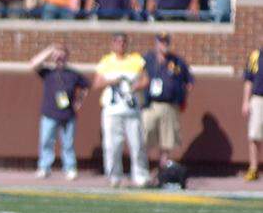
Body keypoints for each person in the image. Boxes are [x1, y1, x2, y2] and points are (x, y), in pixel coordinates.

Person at [93, 33, 150, 188]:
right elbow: (96, 83)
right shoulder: (106, 61)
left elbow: (145, 79)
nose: (121, 45)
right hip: (112, 110)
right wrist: (112, 81)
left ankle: (140, 175)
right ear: (112, 43)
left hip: (131, 109)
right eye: (118, 42)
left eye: (124, 42)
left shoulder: (135, 60)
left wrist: (136, 86)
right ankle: (114, 176)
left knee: (137, 144)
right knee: (112, 146)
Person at [29, 44, 88, 180]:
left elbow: (85, 86)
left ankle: (70, 168)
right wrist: (50, 50)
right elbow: (33, 64)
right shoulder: (47, 72)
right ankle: (44, 168)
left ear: (67, 56)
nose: (59, 57)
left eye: (62, 54)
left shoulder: (73, 74)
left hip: (68, 115)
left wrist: (79, 101)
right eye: (57, 55)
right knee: (46, 141)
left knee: (68, 143)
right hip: (49, 113)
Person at [141, 33, 193, 177]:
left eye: (166, 42)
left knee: (167, 140)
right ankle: (143, 169)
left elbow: (189, 81)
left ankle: (163, 171)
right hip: (151, 104)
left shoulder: (176, 61)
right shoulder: (147, 59)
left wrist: (182, 95)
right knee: (145, 135)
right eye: (161, 42)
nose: (164, 45)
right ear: (156, 43)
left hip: (170, 105)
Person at [241, 41, 263, 181]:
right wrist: (245, 101)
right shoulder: (256, 56)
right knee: (254, 135)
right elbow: (248, 80)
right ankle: (253, 168)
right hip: (258, 99)